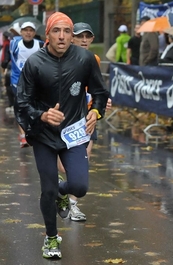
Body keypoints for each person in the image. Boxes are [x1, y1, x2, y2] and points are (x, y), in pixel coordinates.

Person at [15, 12, 109, 259]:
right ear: (47, 35)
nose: (62, 36)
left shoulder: (85, 59)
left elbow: (100, 93)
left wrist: (96, 112)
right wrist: (43, 115)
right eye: (57, 31)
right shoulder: (34, 63)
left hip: (74, 134)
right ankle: (51, 238)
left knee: (79, 186)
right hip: (44, 135)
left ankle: (61, 191)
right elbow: (22, 103)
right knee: (47, 189)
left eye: (67, 31)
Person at [56, 22, 112, 222]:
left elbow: (97, 89)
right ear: (71, 37)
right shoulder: (59, 58)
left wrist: (100, 104)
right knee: (63, 168)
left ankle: (73, 206)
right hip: (63, 119)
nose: (84, 40)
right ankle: (59, 188)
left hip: (86, 119)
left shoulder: (93, 59)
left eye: (88, 37)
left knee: (83, 160)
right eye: (80, 36)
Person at [8, 22, 43, 147]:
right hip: (17, 81)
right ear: (21, 32)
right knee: (20, 106)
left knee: (32, 106)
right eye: (25, 30)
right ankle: (23, 135)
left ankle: (31, 131)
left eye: (31, 30)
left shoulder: (40, 45)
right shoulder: (15, 44)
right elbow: (8, 57)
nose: (28, 33)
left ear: (34, 33)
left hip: (34, 81)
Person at [1, 31, 12, 113]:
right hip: (6, 65)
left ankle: (11, 104)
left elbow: (6, 56)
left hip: (7, 66)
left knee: (7, 83)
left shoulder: (7, 44)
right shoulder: (6, 43)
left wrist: (4, 64)